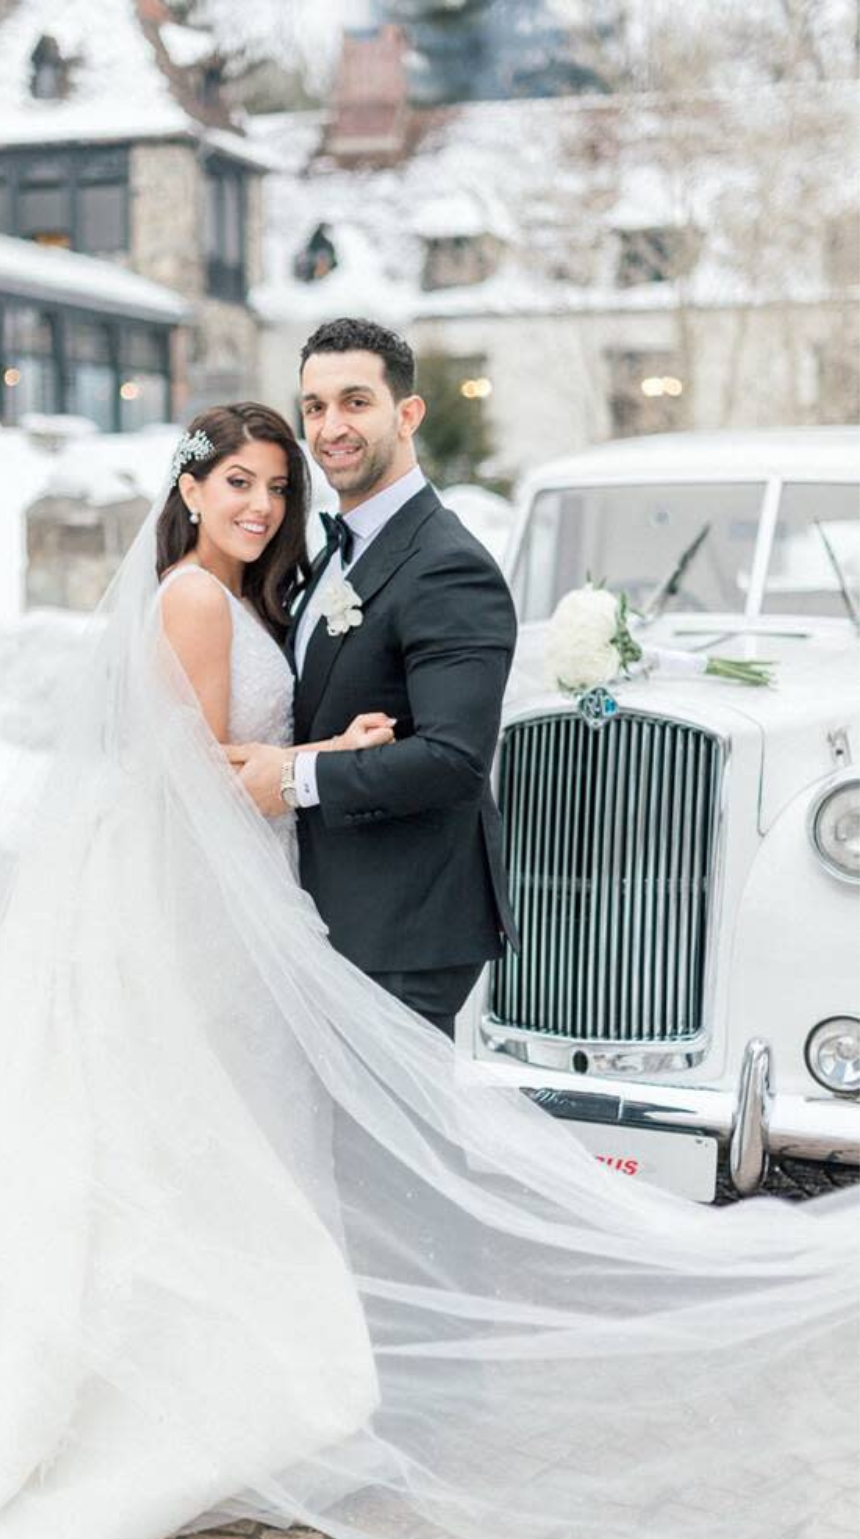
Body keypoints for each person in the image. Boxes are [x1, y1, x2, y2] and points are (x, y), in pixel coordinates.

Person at [0, 377, 859, 1539]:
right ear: (187, 487)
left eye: (274, 486)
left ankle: (244, 1386)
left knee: (224, 1141)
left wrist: (301, 763)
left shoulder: (252, 593)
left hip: (242, 891)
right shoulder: (191, 597)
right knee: (190, 1138)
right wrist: (326, 759)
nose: (261, 500)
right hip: (193, 898)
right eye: (237, 480)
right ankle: (200, 1396)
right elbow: (185, 775)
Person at [228, 319, 518, 1040]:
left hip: (402, 927)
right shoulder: (341, 548)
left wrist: (295, 779)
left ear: (407, 414)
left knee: (386, 1154)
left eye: (355, 402)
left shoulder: (447, 564)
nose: (331, 427)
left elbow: (453, 758)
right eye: (315, 407)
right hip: (330, 909)